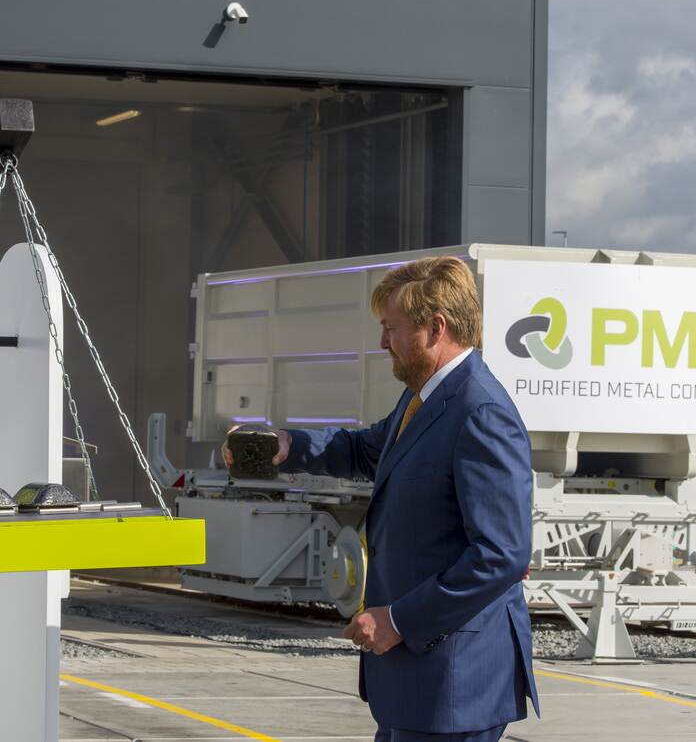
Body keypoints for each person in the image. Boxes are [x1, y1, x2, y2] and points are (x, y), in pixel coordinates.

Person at [225, 256, 538, 742]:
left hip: (453, 683)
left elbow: (501, 555)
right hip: (419, 682)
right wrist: (286, 445)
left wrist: (399, 619)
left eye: (391, 329)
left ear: (435, 329)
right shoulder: (425, 397)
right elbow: (367, 450)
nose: (382, 343)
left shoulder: (481, 413)